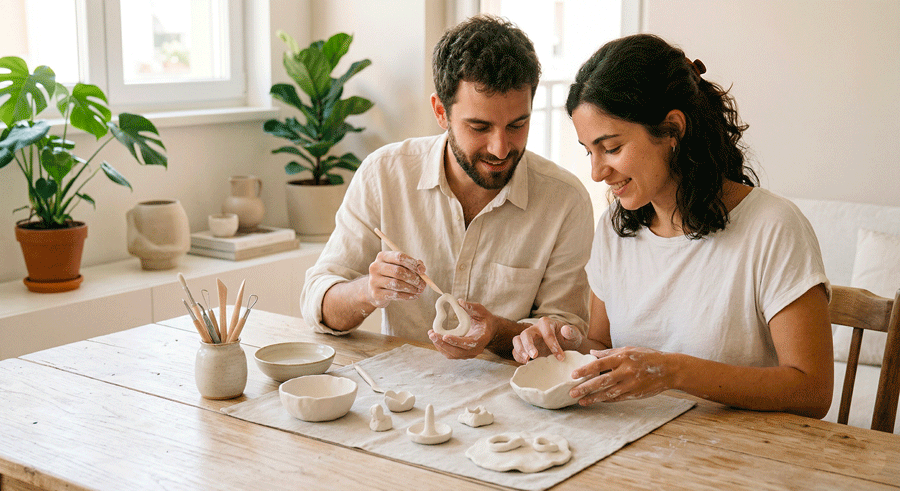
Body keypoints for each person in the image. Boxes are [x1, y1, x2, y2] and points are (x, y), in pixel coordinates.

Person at [511, 34, 833, 418]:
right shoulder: (616, 228)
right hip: (633, 443)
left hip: (741, 455)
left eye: (611, 148)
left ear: (672, 130)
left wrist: (673, 371)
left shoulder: (773, 227)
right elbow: (602, 341)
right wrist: (562, 347)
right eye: (589, 152)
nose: (597, 173)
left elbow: (812, 391)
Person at [300, 15, 593, 360]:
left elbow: (566, 334)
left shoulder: (565, 201)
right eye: (479, 127)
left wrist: (498, 331)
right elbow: (318, 304)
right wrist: (369, 290)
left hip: (511, 399)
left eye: (517, 124)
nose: (500, 148)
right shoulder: (384, 175)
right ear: (441, 111)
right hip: (402, 394)